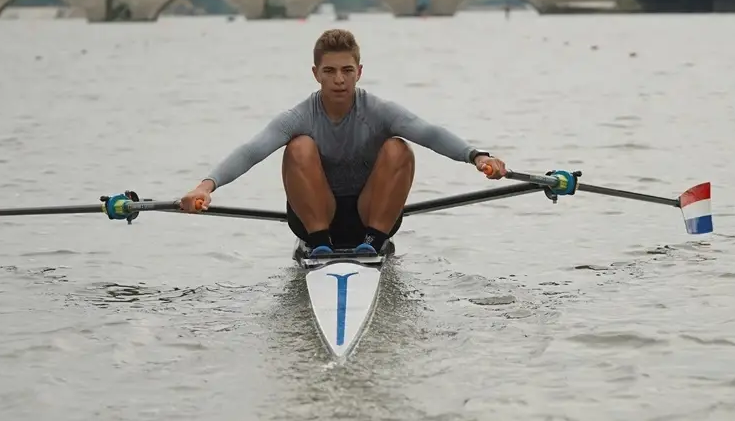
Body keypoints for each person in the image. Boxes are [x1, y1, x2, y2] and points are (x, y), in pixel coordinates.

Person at [178, 28, 507, 257]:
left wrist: (477, 156)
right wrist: (205, 187)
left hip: (369, 215)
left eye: (347, 70)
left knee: (399, 147)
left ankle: (373, 242)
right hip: (314, 218)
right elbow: (252, 150)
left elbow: (429, 131)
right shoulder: (299, 116)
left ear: (359, 72)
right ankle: (320, 244)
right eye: (330, 70)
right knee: (298, 147)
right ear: (316, 73)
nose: (339, 79)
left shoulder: (378, 111)